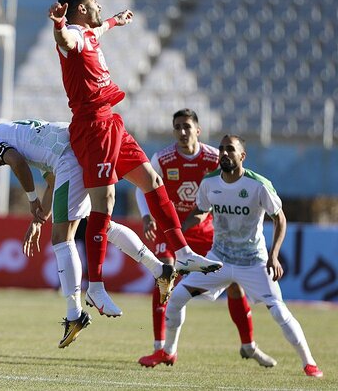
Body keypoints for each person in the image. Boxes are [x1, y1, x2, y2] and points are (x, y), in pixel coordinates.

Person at [48, 0, 221, 316]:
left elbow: (100, 30)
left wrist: (115, 20)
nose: (98, 6)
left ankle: (182, 253)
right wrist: (57, 24)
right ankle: (96, 287)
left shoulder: (92, 32)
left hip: (112, 122)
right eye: (94, 2)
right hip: (92, 129)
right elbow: (65, 39)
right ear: (81, 8)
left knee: (153, 182)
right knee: (106, 202)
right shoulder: (73, 34)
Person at [0, 119, 177, 348]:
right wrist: (39, 219)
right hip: (83, 144)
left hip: (69, 156)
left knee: (62, 239)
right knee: (102, 225)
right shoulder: (29, 137)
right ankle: (159, 268)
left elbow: (16, 162)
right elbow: (54, 183)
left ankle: (74, 314)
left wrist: (32, 200)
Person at [138, 135, 323, 378]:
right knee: (176, 298)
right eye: (222, 149)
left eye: (230, 150)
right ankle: (168, 352)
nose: (224, 153)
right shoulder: (210, 182)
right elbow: (200, 212)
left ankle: (309, 363)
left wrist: (274, 255)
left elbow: (280, 218)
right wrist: (178, 231)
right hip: (219, 260)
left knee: (278, 311)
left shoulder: (258, 185)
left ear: (242, 156)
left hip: (252, 262)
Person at [135, 109, 275, 366]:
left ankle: (248, 345)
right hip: (172, 229)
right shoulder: (163, 158)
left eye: (187, 126)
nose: (182, 131)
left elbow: (237, 183)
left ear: (197, 130)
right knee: (164, 276)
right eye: (177, 127)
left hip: (206, 230)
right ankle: (161, 345)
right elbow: (141, 188)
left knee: (234, 283)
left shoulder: (215, 156)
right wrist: (146, 216)